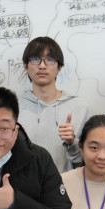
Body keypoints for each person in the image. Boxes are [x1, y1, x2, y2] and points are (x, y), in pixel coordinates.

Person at [16, 36, 89, 172]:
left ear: (59, 67)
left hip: (65, 183)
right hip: (24, 183)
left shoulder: (79, 107)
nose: (42, 66)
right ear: (25, 66)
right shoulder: (14, 107)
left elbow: (86, 163)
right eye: (35, 59)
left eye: (49, 60)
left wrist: (72, 142)